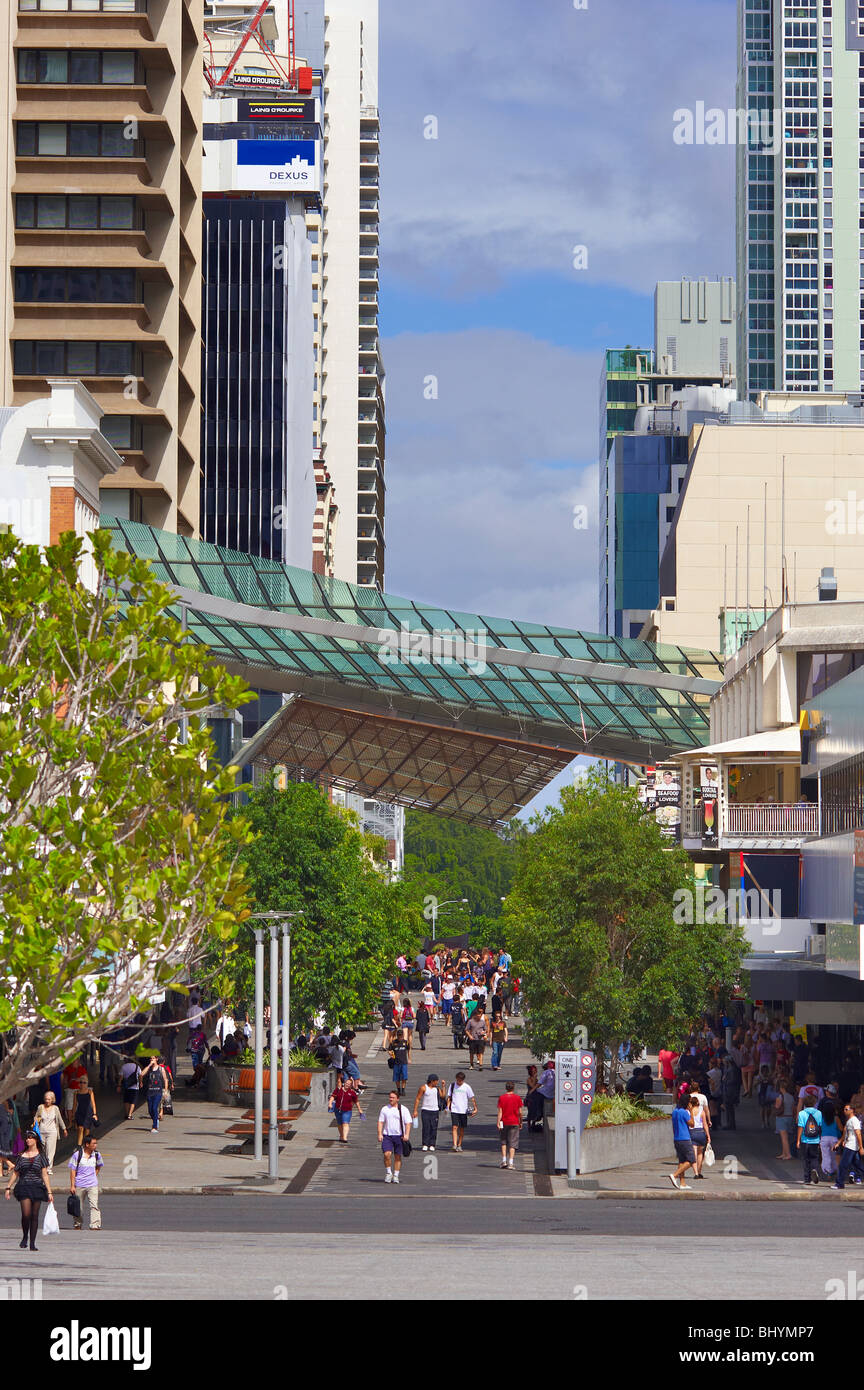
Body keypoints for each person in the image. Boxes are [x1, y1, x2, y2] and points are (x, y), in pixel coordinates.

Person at [4, 1129, 54, 1251]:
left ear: (35, 1140)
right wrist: (8, 1187)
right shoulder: (21, 1156)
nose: (28, 1139)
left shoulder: (41, 1156)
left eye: (30, 1137)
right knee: (26, 1214)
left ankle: (32, 1243)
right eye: (27, 1138)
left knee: (34, 1215)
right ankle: (25, 1236)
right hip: (24, 1186)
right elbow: (16, 1173)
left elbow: (45, 1174)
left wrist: (49, 1191)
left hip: (37, 1187)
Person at [68, 1134, 104, 1230]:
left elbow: (99, 1166)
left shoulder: (97, 1155)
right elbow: (72, 1170)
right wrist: (72, 1185)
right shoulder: (77, 1155)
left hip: (92, 1185)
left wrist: (93, 1175)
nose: (95, 1145)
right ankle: (78, 1223)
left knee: (94, 1205)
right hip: (79, 1184)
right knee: (78, 1207)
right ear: (87, 1144)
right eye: (94, 1143)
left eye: (96, 1143)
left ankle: (95, 1225)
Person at [377, 1089, 412, 1184]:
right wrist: (380, 1134)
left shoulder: (403, 1109)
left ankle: (396, 1175)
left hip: (399, 1136)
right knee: (387, 1154)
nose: (391, 1099)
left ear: (398, 1099)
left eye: (393, 1098)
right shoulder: (385, 1109)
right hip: (387, 1136)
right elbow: (380, 1122)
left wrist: (407, 1135)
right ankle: (388, 1173)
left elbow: (408, 1123)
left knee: (397, 1156)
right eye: (390, 1097)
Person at [669, 1095, 699, 1190]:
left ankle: (682, 1183)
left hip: (677, 1139)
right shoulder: (684, 1112)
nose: (690, 1104)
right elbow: (692, 1124)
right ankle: (675, 1175)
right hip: (685, 1138)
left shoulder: (675, 1112)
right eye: (689, 1102)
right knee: (691, 1160)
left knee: (682, 1161)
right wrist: (690, 1112)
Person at [832, 1102, 864, 1190]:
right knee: (857, 1164)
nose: (844, 1111)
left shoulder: (854, 1120)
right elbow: (845, 1133)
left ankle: (839, 1184)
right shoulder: (849, 1121)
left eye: (847, 1109)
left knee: (843, 1165)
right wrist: (839, 1143)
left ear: (852, 1110)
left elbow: (858, 1134)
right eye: (844, 1109)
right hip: (849, 1145)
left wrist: (861, 1147)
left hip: (851, 1146)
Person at [34, 1092, 66, 1174]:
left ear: (52, 1100)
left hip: (52, 1132)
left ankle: (48, 1168)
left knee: (50, 1150)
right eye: (46, 1099)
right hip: (41, 1132)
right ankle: (42, 1165)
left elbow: (59, 1119)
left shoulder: (55, 1108)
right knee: (42, 1150)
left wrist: (64, 1129)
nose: (47, 1101)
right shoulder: (40, 1107)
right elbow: (36, 1117)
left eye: (49, 1099)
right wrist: (35, 1123)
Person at [413, 1074, 445, 1151]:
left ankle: (432, 1144)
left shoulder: (437, 1089)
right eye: (436, 1081)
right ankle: (425, 1144)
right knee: (426, 1127)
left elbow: (443, 1096)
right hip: (425, 1110)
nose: (437, 1083)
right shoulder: (423, 1088)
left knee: (434, 1128)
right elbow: (418, 1099)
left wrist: (443, 1086)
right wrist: (415, 1110)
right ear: (432, 1081)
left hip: (435, 1111)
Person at [796, 1095, 824, 1185]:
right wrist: (820, 1139)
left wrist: (798, 1140)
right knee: (814, 1157)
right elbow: (820, 1127)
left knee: (805, 1159)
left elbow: (800, 1127)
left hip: (805, 1140)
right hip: (815, 1140)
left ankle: (807, 1179)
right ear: (814, 1103)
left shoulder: (802, 1113)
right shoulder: (819, 1113)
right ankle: (814, 1169)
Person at [447, 1071, 477, 1152]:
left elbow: (472, 1098)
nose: (458, 1082)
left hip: (463, 1111)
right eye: (457, 1080)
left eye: (460, 1080)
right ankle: (454, 1145)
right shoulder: (452, 1085)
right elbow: (449, 1097)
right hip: (454, 1109)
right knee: (454, 1127)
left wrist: (475, 1108)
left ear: (463, 1080)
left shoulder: (467, 1087)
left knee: (462, 1129)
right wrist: (447, 1107)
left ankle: (459, 1145)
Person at [328, 1075, 363, 1143]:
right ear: (344, 1083)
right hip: (337, 1109)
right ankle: (341, 1135)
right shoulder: (338, 1090)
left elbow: (356, 1101)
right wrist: (330, 1103)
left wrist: (360, 1109)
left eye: (349, 1084)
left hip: (347, 1111)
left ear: (350, 1085)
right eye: (346, 1083)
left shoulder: (352, 1093)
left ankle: (345, 1137)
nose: (347, 1085)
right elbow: (332, 1097)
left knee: (345, 1123)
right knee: (339, 1123)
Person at [497, 1080, 523, 1170]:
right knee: (513, 1143)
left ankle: (504, 1161)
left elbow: (500, 1111)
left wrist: (498, 1122)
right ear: (513, 1088)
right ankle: (511, 1162)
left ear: (506, 1088)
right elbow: (520, 1112)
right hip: (514, 1121)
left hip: (503, 1122)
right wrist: (521, 1121)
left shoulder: (502, 1097)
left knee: (503, 1141)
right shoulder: (517, 1098)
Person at [688, 1081, 712, 1178]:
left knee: (693, 1153)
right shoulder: (703, 1098)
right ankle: (699, 1170)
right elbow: (707, 1111)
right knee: (700, 1153)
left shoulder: (688, 1109)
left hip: (692, 1131)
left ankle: (695, 1173)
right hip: (701, 1132)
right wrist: (709, 1121)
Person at [140, 1054, 169, 1133]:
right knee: (150, 1110)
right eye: (150, 1059)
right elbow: (142, 1074)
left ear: (156, 1059)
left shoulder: (161, 1069)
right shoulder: (149, 1068)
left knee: (154, 1107)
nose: (151, 1060)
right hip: (150, 1091)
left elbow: (166, 1079)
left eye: (153, 1058)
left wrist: (165, 1091)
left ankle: (154, 1126)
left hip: (158, 1091)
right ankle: (155, 1119)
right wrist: (149, 1065)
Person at [818, 1088, 841, 1177]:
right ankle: (835, 1170)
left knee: (825, 1156)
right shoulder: (836, 1118)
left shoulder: (821, 1119)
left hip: (824, 1138)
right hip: (834, 1139)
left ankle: (827, 1171)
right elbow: (840, 1129)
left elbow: (820, 1129)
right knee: (833, 1156)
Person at [774, 1077, 797, 1161]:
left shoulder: (780, 1097)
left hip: (782, 1118)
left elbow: (777, 1106)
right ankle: (784, 1153)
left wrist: (776, 1102)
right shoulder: (791, 1097)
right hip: (789, 1117)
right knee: (786, 1137)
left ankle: (788, 1154)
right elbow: (793, 1108)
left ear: (781, 1088)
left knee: (784, 1138)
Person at [62, 1056, 87, 1129]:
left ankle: (76, 1123)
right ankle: (70, 1122)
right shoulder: (68, 1068)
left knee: (77, 1107)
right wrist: (65, 1084)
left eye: (75, 1061)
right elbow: (65, 1078)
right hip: (70, 1090)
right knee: (69, 1107)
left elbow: (86, 1079)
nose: (73, 1062)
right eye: (72, 1061)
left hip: (78, 1090)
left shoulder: (82, 1069)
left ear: (78, 1061)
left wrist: (79, 1080)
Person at [73, 1076, 98, 1146]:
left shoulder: (90, 1092)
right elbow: (74, 1104)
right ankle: (79, 1145)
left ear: (87, 1084)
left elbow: (93, 1103)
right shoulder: (76, 1092)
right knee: (80, 1128)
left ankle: (85, 1144)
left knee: (87, 1129)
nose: (82, 1084)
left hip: (88, 1112)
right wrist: (73, 1114)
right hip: (80, 1112)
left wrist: (95, 1114)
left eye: (84, 1083)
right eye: (81, 1082)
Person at [525, 1064, 543, 1132]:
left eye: (535, 1071)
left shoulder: (536, 1079)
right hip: (530, 1097)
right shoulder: (529, 1079)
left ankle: (534, 1123)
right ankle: (529, 1125)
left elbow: (538, 1086)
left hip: (536, 1096)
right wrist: (535, 1079)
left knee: (536, 1110)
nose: (535, 1072)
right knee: (530, 1111)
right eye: (534, 1071)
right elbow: (533, 1086)